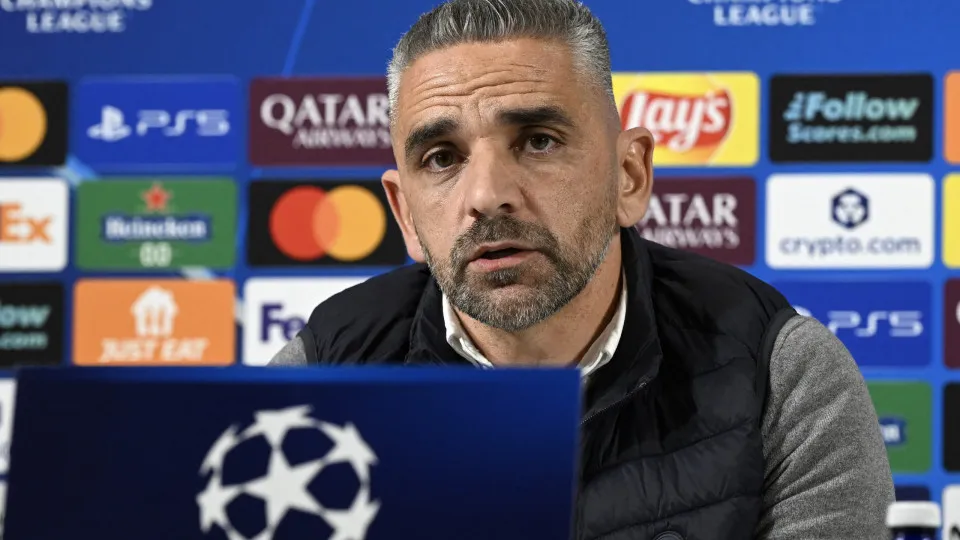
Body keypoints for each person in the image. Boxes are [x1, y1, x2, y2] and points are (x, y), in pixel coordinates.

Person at [269, 0, 895, 538]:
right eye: (441, 157)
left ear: (630, 175)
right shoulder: (316, 379)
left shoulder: (781, 375)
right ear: (405, 214)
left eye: (537, 140)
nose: (486, 195)